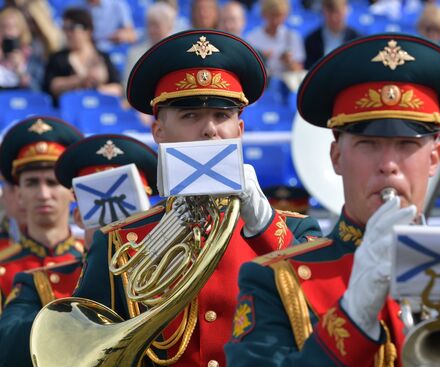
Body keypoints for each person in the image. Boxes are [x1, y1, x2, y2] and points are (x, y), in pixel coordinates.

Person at [225, 33, 440, 366]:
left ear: (435, 157)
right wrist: (353, 317)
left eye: (407, 146)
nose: (388, 165)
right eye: (368, 144)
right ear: (336, 156)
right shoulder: (275, 278)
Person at [70, 29, 322, 367]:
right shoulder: (118, 242)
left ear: (240, 131)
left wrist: (264, 226)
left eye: (222, 116)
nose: (210, 130)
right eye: (190, 116)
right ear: (158, 132)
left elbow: (322, 323)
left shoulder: (294, 230)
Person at [0, 133, 159, 367]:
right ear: (80, 218)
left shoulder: (170, 278)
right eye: (101, 214)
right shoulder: (36, 283)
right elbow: (8, 347)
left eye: (129, 215)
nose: (114, 230)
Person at [0, 116, 84, 308]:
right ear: (19, 194)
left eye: (52, 182)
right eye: (31, 183)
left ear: (72, 192)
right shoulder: (3, 267)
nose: (43, 194)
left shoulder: (94, 263)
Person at [42, 7, 122, 106]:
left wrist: (96, 89)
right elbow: (52, 86)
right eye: (64, 28)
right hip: (69, 110)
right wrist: (81, 79)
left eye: (72, 28)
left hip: (99, 108)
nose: (67, 33)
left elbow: (117, 88)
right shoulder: (58, 58)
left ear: (87, 30)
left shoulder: (102, 56)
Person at [246, 0, 305, 79]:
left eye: (279, 16)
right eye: (272, 15)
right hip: (263, 85)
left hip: (284, 87)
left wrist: (289, 62)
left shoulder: (293, 37)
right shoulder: (251, 38)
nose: (275, 21)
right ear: (263, 14)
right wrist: (261, 59)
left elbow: (299, 71)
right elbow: (248, 70)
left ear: (285, 15)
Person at [303, 0, 360, 70]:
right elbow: (309, 69)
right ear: (323, 12)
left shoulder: (357, 39)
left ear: (346, 10)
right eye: (330, 13)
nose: (334, 18)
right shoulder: (311, 40)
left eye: (338, 13)